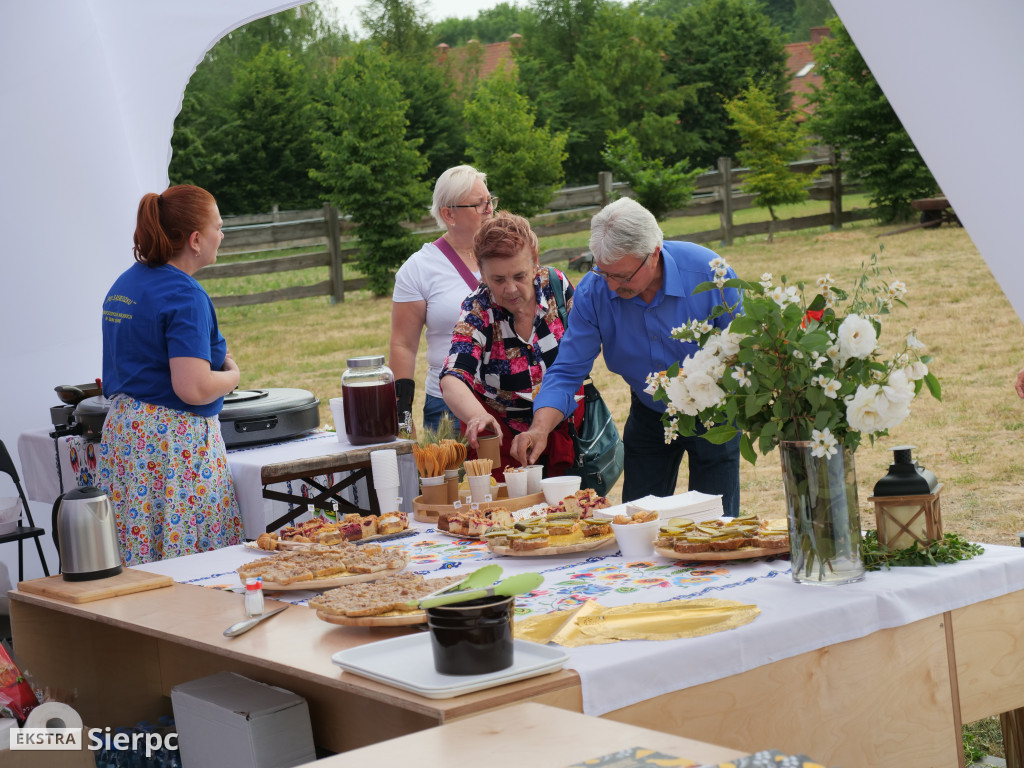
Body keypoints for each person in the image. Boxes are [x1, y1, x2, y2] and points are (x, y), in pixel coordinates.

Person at [510, 197, 743, 515]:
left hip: (714, 412)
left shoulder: (710, 273)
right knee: (638, 522)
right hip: (649, 410)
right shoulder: (595, 291)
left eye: (621, 276)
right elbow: (567, 371)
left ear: (654, 255)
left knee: (716, 523)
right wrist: (539, 428)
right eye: (603, 272)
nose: (611, 284)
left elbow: (742, 351)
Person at [97, 184, 243, 565]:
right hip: (173, 447)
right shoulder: (185, 295)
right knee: (190, 567)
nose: (222, 235)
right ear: (196, 239)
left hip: (128, 438)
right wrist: (232, 375)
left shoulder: (126, 284)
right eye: (218, 226)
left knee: (140, 557)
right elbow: (193, 388)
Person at [440, 212, 581, 476]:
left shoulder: (556, 286)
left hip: (559, 422)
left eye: (519, 275)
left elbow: (583, 353)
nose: (511, 289)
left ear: (535, 262)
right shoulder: (478, 309)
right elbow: (453, 377)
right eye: (498, 280)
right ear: (481, 273)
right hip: (501, 434)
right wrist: (476, 416)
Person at [390, 165, 496, 433]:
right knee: (452, 476)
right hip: (448, 406)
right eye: (478, 204)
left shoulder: (508, 253)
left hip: (511, 399)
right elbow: (403, 345)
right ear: (449, 214)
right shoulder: (419, 268)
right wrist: (403, 416)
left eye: (489, 201)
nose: (489, 210)